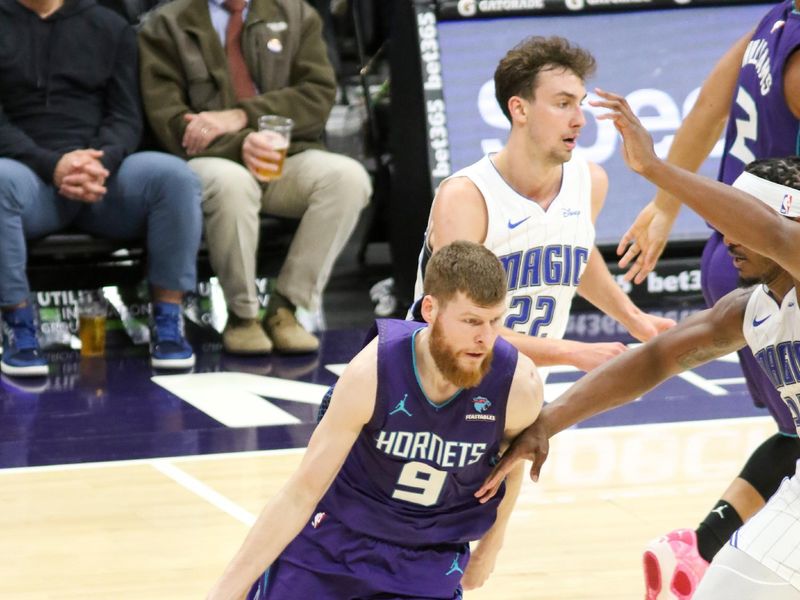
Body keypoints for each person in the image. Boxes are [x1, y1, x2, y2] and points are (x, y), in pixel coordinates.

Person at [476, 90, 800, 599]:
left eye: (740, 221)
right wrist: (547, 424)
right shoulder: (752, 308)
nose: (727, 236)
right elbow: (655, 360)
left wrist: (654, 168)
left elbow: (775, 235)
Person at [206, 241, 542, 599]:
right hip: (335, 543)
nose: (485, 338)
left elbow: (511, 464)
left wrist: (492, 545)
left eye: (495, 321)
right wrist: (226, 591)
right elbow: (302, 492)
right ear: (430, 309)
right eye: (471, 321)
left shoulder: (518, 386)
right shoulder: (372, 372)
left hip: (429, 557)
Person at [611, 3, 800, 593]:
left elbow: (710, 106)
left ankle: (700, 548)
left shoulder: (775, 21)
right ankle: (708, 550)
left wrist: (667, 204)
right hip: (776, 248)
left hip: (731, 245)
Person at [411, 36, 674, 375]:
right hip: (439, 385)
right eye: (563, 104)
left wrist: (635, 319)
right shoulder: (467, 197)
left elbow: (573, 249)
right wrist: (571, 352)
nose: (579, 119)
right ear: (519, 109)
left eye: (579, 104)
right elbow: (456, 328)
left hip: (521, 383)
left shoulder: (590, 181)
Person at [137, 0, 372, 356]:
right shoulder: (166, 24)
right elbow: (169, 121)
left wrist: (240, 116)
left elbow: (318, 96)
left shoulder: (294, 13)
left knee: (348, 178)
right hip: (207, 158)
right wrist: (239, 143)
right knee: (232, 183)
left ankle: (285, 307)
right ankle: (243, 315)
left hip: (284, 155)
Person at [0, 0, 203, 376]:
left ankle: (169, 324)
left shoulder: (110, 26)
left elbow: (127, 116)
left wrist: (100, 163)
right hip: (29, 177)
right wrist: (53, 165)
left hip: (103, 177)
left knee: (174, 177)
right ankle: (19, 329)